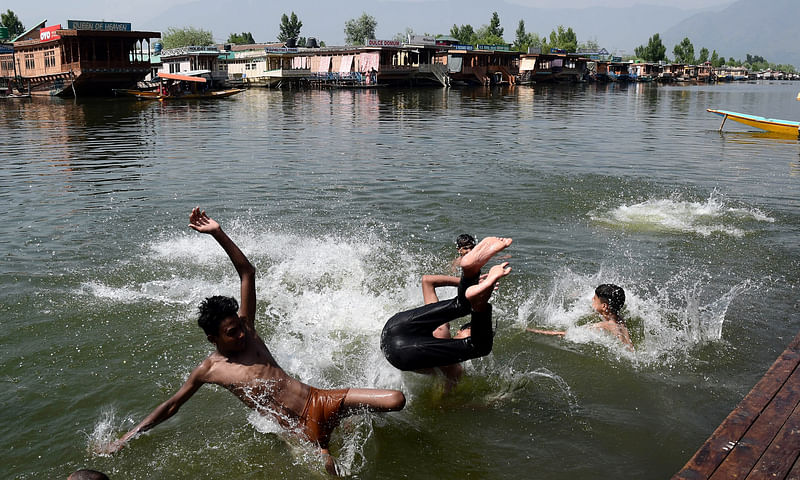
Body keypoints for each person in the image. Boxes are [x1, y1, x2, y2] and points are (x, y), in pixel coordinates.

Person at [103, 208, 405, 475]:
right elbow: (171, 406)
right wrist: (126, 438)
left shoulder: (248, 328)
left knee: (395, 400)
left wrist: (217, 232)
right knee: (330, 469)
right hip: (299, 430)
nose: (242, 334)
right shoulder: (209, 370)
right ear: (213, 338)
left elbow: (247, 272)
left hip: (319, 401)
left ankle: (345, 418)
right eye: (232, 332)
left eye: (240, 327)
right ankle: (326, 439)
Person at [381, 237, 512, 373]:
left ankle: (470, 273)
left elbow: (428, 281)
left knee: (461, 305)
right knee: (479, 347)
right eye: (470, 335)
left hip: (394, 324)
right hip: (400, 352)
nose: (469, 337)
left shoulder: (442, 328)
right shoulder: (452, 369)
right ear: (459, 331)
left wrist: (463, 282)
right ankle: (475, 290)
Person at [418, 234, 476, 388]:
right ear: (458, 331)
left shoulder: (454, 370)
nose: (468, 343)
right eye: (469, 338)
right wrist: (466, 283)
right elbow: (427, 280)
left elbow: (443, 404)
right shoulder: (440, 329)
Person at [527, 284, 633, 350]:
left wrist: (535, 331)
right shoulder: (619, 319)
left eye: (595, 299)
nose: (592, 299)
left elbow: (569, 334)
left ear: (604, 306)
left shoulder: (605, 325)